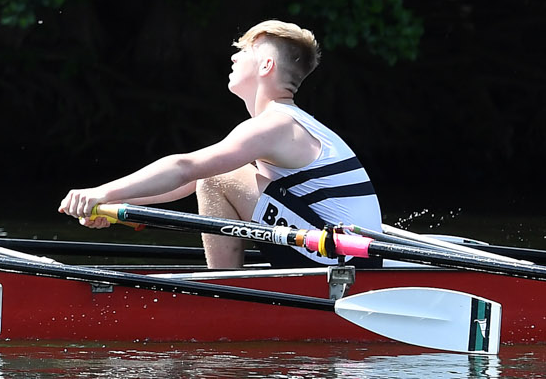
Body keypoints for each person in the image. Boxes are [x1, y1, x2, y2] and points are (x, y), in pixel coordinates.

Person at [59, 19, 379, 269]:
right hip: (343, 251)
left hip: (344, 260)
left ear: (266, 65)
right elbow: (191, 181)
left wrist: (102, 192)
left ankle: (225, 293)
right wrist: (116, 206)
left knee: (218, 177)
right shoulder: (289, 123)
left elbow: (187, 169)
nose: (233, 56)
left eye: (243, 51)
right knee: (218, 175)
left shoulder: (274, 125)